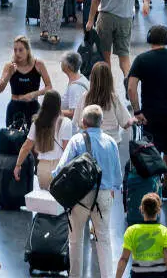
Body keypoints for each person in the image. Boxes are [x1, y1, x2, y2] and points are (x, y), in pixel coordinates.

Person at [53, 105, 123, 278]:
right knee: (104, 239)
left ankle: (75, 275)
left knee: (76, 240)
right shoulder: (111, 142)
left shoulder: (76, 141)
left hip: (80, 197)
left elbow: (59, 169)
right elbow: (117, 175)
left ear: (83, 122)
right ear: (101, 122)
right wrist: (112, 189)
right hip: (104, 195)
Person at [127, 25, 167, 198]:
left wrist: (137, 111)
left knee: (151, 149)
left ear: (149, 38)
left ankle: (153, 187)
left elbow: (131, 88)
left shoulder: (142, 60)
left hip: (150, 113)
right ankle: (166, 185)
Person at [115, 193, 167, 278]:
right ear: (158, 210)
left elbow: (124, 259)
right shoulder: (165, 232)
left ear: (141, 209)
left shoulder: (131, 231)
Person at [13, 90, 73, 189]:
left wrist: (18, 165)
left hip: (43, 168)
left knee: (45, 202)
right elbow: (66, 149)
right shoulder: (66, 123)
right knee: (59, 202)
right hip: (60, 168)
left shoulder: (37, 123)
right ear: (59, 104)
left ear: (44, 104)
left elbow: (26, 146)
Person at [0, 35, 53, 126]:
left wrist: (34, 94)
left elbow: (49, 87)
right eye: (15, 50)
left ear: (28, 50)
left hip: (33, 107)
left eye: (21, 50)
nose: (17, 53)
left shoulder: (38, 64)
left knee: (34, 138)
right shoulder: (10, 66)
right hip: (15, 106)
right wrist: (9, 75)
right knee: (13, 139)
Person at [74, 61, 134, 144]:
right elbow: (125, 123)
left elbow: (78, 121)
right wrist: (135, 119)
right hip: (111, 141)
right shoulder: (113, 98)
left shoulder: (85, 97)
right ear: (109, 79)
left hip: (90, 142)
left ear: (92, 78)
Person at [60, 51, 89, 120]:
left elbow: (73, 113)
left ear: (68, 66)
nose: (61, 63)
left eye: (62, 62)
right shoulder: (81, 77)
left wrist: (53, 112)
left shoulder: (75, 87)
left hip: (75, 128)